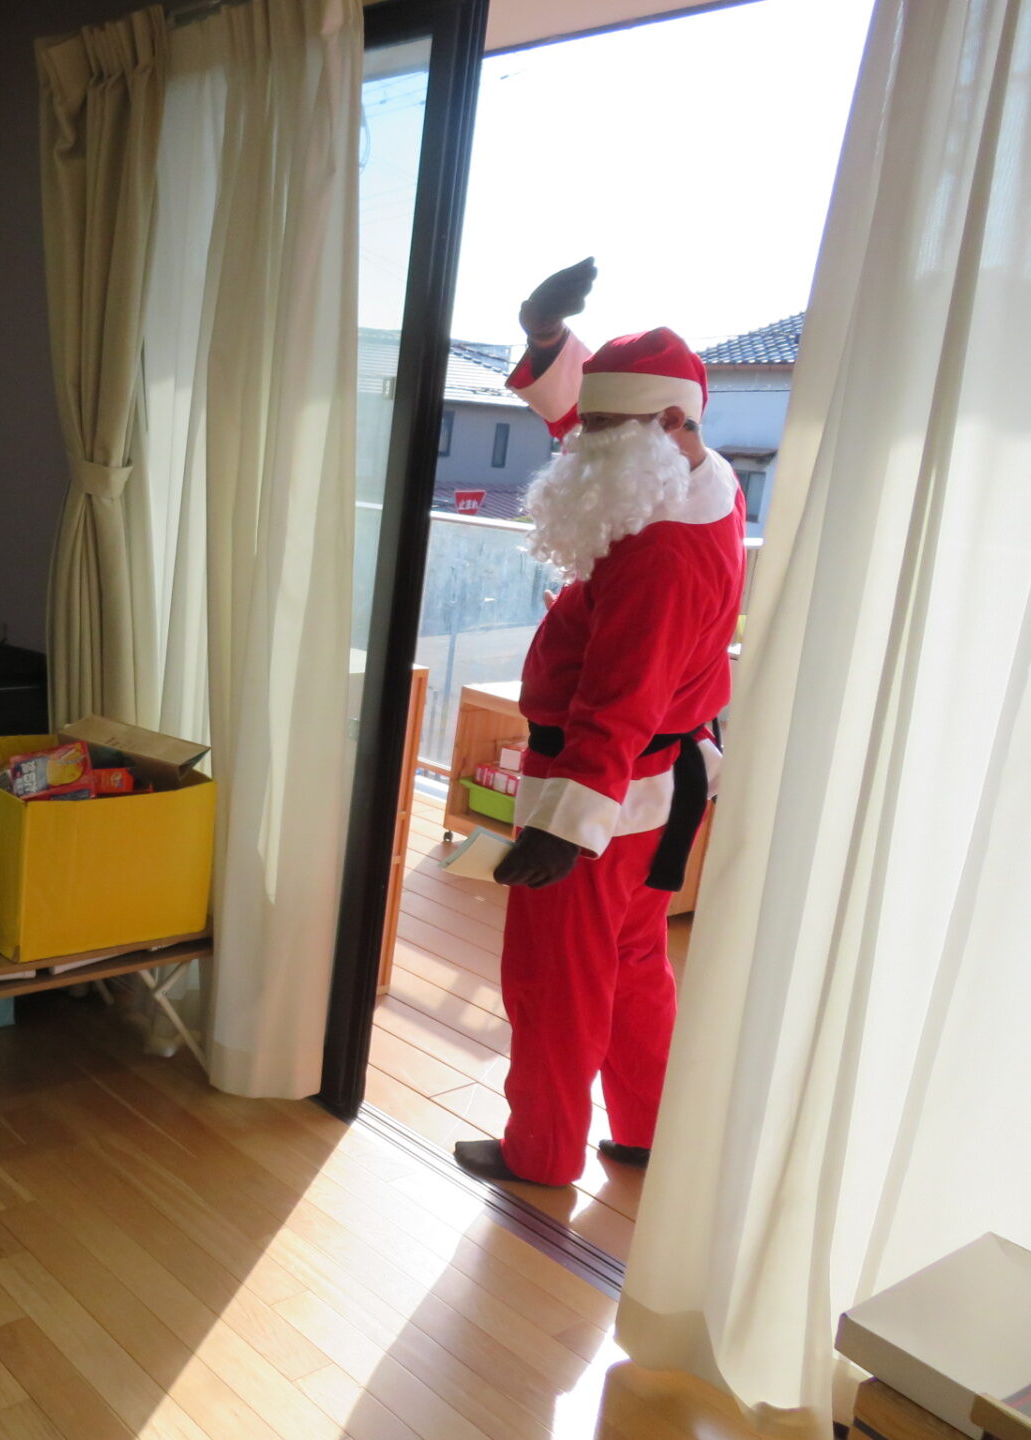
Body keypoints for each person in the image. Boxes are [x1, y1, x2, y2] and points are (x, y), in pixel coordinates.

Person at [452, 260, 747, 1188]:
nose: (581, 446)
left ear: (669, 423)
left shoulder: (662, 554)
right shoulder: (692, 476)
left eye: (602, 432)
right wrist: (546, 342)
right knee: (632, 962)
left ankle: (541, 1151)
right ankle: (649, 1128)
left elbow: (621, 699)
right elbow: (594, 438)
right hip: (662, 784)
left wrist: (562, 826)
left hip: (608, 793)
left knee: (557, 979)